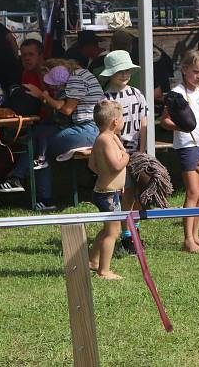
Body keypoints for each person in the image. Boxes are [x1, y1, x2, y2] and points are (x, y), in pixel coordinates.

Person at [22, 59, 104, 210]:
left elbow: (66, 110)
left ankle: (41, 196)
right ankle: (26, 183)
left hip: (88, 130)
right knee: (40, 138)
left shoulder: (76, 79)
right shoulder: (81, 75)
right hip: (89, 129)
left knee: (40, 143)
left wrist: (44, 96)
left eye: (53, 82)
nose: (53, 86)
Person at [160, 49, 199, 254]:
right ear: (184, 70)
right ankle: (187, 239)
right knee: (193, 191)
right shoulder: (177, 94)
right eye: (195, 72)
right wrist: (181, 127)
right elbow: (164, 120)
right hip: (187, 146)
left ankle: (196, 235)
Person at [100, 50, 148, 255]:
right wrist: (117, 151)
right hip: (116, 152)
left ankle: (133, 231)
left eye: (127, 70)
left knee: (137, 192)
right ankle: (124, 235)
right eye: (120, 71)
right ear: (110, 73)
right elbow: (105, 128)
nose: (124, 74)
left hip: (136, 151)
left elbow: (144, 122)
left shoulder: (137, 93)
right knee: (121, 193)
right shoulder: (105, 99)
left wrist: (143, 150)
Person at [0, 39, 48, 193]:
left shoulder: (48, 72)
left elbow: (58, 105)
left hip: (51, 123)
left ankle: (16, 178)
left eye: (30, 54)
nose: (26, 58)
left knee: (35, 140)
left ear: (41, 55)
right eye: (23, 55)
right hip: (31, 122)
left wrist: (41, 97)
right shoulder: (26, 73)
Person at [87, 100, 128, 280]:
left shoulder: (108, 137)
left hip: (108, 191)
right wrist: (127, 157)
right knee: (113, 232)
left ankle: (92, 260)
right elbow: (116, 164)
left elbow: (92, 164)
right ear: (115, 122)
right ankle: (104, 271)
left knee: (106, 230)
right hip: (107, 195)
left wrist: (116, 182)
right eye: (122, 118)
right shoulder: (105, 139)